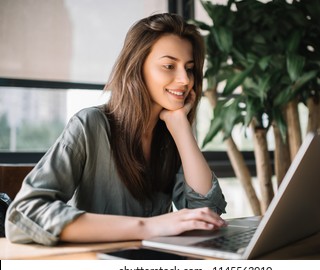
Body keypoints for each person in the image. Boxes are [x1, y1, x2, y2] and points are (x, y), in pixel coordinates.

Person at [5, 13, 227, 246]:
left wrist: (182, 128)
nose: (184, 79)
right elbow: (24, 213)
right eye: (169, 66)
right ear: (137, 68)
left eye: (189, 68)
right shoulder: (90, 125)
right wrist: (148, 227)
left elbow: (207, 214)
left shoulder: (170, 133)